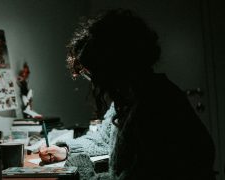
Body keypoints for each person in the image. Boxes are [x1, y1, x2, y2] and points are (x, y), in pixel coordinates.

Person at [48, 9, 216, 180]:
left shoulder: (154, 106)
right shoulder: (129, 96)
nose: (94, 82)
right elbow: (103, 138)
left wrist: (80, 169)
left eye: (94, 73)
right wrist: (66, 149)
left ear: (115, 65)